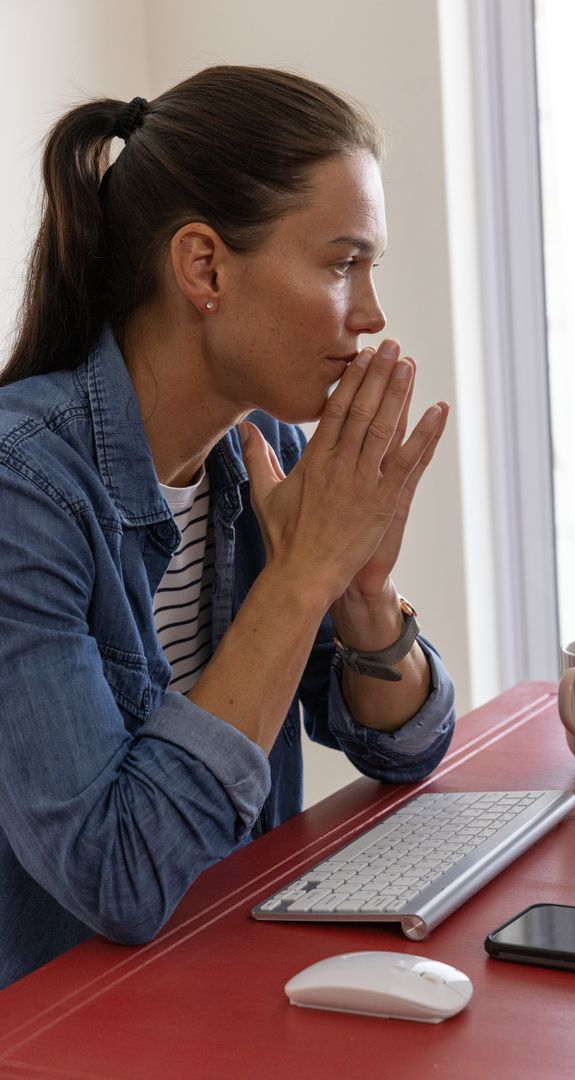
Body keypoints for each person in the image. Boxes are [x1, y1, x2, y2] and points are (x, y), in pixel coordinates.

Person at [0, 66, 455, 990]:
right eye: (341, 264)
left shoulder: (264, 455)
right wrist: (298, 580)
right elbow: (117, 875)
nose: (370, 315)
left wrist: (363, 596)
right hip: (66, 1022)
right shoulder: (24, 494)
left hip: (214, 979)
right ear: (204, 266)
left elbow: (402, 748)